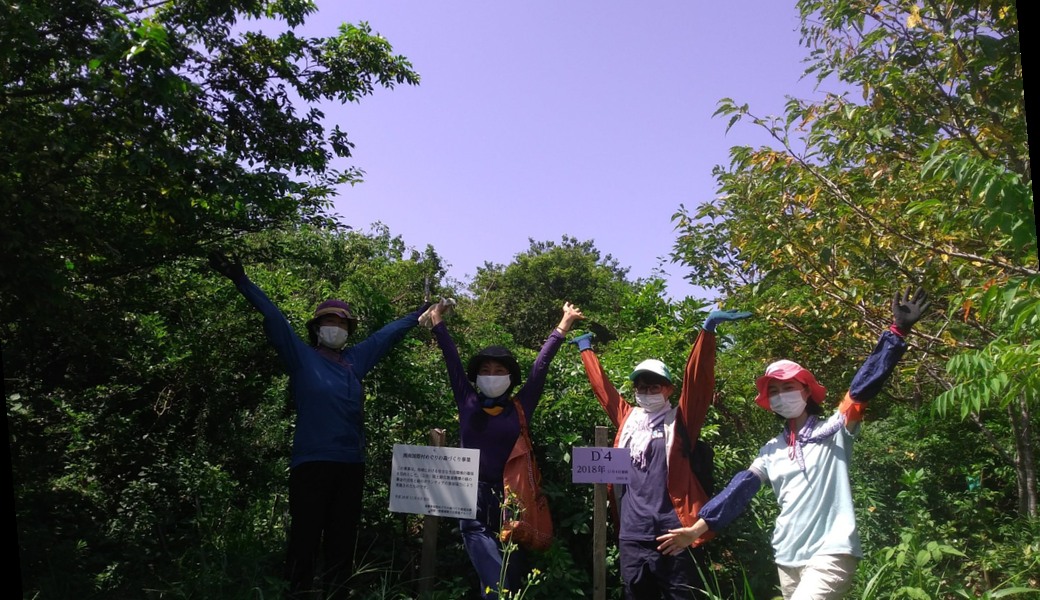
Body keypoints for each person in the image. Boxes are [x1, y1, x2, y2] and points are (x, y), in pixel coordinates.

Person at [656, 287, 931, 600]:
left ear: (806, 391)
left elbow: (863, 387)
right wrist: (696, 529)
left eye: (787, 387)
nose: (779, 395)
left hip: (831, 554)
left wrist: (896, 332)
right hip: (787, 558)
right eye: (773, 391)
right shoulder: (771, 450)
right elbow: (739, 491)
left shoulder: (835, 429)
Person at [208, 251, 429, 599]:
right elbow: (273, 315)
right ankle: (296, 594)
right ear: (316, 327)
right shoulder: (300, 356)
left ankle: (337, 594)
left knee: (342, 543)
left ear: (348, 330)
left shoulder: (355, 362)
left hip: (350, 466)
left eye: (342, 324)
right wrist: (241, 280)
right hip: (311, 464)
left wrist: (419, 314)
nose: (336, 328)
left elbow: (386, 336)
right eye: (329, 321)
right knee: (304, 541)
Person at [570, 310, 752, 599]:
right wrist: (585, 349)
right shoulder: (629, 419)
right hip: (632, 534)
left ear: (668, 389)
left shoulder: (680, 422)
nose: (646, 391)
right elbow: (603, 390)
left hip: (674, 533)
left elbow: (698, 386)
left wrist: (707, 333)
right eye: (641, 387)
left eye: (654, 386)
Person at [424, 300, 585, 599]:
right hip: (470, 495)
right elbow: (452, 361)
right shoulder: (468, 401)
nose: (492, 375)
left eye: (499, 370)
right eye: (486, 370)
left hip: (513, 497)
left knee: (511, 574)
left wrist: (564, 324)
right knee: (498, 583)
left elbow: (540, 367)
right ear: (476, 377)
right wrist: (437, 323)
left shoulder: (521, 407)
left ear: (510, 378)